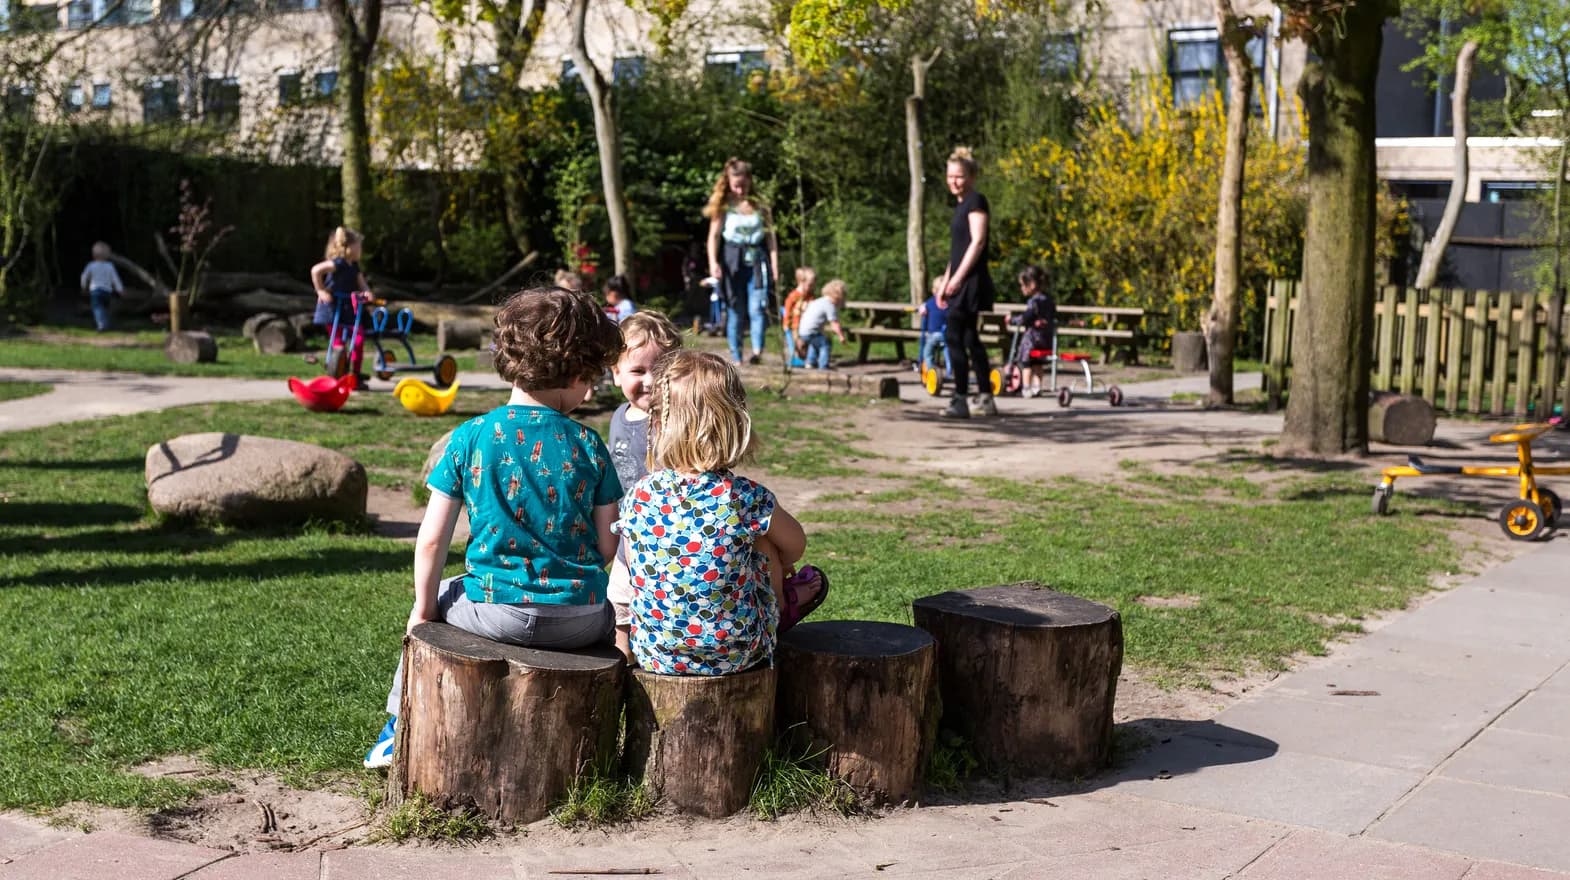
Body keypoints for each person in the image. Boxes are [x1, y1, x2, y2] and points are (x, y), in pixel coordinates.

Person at [363, 286, 624, 769]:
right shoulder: (590, 444)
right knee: (613, 614)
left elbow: (433, 539)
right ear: (573, 372)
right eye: (589, 379)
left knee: (444, 592)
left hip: (494, 609)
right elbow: (608, 545)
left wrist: (423, 609)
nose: (589, 392)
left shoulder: (470, 437)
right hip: (582, 618)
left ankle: (396, 728)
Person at [615, 350, 828, 675]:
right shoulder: (746, 497)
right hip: (737, 654)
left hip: (655, 654)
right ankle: (781, 608)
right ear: (735, 423)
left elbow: (633, 565)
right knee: (764, 542)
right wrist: (778, 565)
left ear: (657, 424)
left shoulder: (640, 494)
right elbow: (796, 545)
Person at [604, 311, 684, 662]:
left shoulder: (677, 422)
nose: (650, 381)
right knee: (619, 608)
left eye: (661, 370)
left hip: (669, 538)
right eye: (637, 371)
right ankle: (622, 668)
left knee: (662, 606)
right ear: (616, 373)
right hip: (628, 538)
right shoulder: (619, 417)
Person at [935, 147, 997, 419]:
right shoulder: (960, 206)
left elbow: (978, 242)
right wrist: (944, 282)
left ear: (971, 177)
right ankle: (985, 396)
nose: (954, 182)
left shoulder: (976, 201)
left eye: (959, 176)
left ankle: (960, 398)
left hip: (971, 282)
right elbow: (957, 252)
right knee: (970, 338)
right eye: (950, 176)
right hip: (960, 280)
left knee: (954, 336)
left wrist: (958, 279)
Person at [704, 158, 778, 366]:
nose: (740, 190)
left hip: (757, 260)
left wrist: (774, 264)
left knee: (757, 307)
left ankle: (757, 350)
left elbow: (771, 237)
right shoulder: (724, 206)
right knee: (735, 308)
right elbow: (713, 237)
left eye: (743, 185)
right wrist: (713, 263)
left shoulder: (760, 205)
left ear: (749, 181)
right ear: (728, 182)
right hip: (732, 260)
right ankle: (736, 354)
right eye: (736, 186)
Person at [311, 227, 374, 388]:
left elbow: (362, 285)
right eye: (358, 246)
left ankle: (355, 374)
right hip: (334, 309)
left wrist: (367, 293)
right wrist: (320, 290)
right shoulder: (337, 263)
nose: (360, 250)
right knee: (338, 342)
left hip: (350, 309)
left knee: (358, 339)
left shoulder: (354, 267)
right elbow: (316, 270)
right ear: (349, 247)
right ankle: (339, 372)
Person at [1010, 265, 1057, 398]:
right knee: (1038, 363)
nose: (1021, 288)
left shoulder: (1034, 301)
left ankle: (1026, 387)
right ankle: (1037, 387)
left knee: (1027, 363)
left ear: (1031, 284)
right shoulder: (1049, 300)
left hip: (1032, 339)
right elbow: (1052, 316)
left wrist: (1013, 320)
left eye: (1022, 285)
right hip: (1045, 338)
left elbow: (1027, 317)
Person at [795, 279, 847, 371]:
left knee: (815, 343)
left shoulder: (819, 301)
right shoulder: (829, 305)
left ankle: (810, 362)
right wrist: (841, 336)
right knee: (825, 343)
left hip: (803, 331)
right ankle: (823, 365)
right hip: (811, 331)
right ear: (838, 297)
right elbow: (834, 324)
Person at [80, 242, 124, 332]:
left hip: (95, 291)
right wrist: (120, 289)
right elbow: (115, 278)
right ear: (107, 256)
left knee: (97, 307)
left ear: (93, 255)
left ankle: (101, 324)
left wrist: (83, 286)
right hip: (107, 291)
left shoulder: (91, 265)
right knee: (105, 308)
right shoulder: (110, 266)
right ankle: (106, 323)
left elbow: (84, 276)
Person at [781, 266, 817, 369]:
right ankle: (795, 358)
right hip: (795, 325)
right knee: (795, 342)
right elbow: (787, 310)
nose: (811, 288)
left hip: (806, 325)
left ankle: (805, 358)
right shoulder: (793, 296)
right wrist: (786, 323)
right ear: (801, 282)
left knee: (804, 343)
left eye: (813, 285)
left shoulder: (810, 296)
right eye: (810, 285)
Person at [917, 276, 950, 380]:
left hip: (933, 336)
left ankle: (931, 371)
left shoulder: (930, 302)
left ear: (933, 291)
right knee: (949, 354)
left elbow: (922, 309)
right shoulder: (950, 303)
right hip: (948, 335)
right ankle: (950, 372)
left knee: (927, 353)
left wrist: (922, 309)